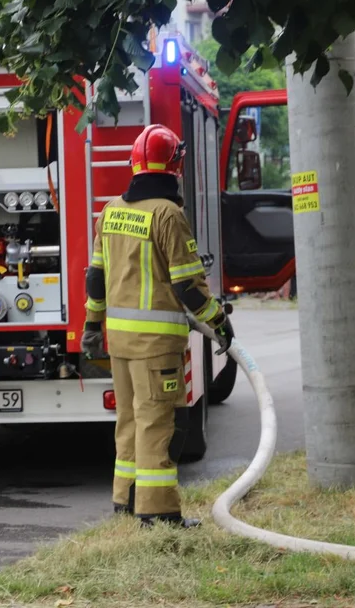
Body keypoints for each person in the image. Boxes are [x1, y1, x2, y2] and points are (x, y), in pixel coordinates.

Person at [80, 124, 234, 529]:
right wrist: (219, 321)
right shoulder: (168, 214)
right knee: (158, 425)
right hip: (156, 346)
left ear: (134, 164)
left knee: (128, 421)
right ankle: (159, 514)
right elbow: (188, 285)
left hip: (121, 342)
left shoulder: (111, 211)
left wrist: (92, 326)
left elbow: (95, 279)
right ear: (175, 166)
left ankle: (126, 503)